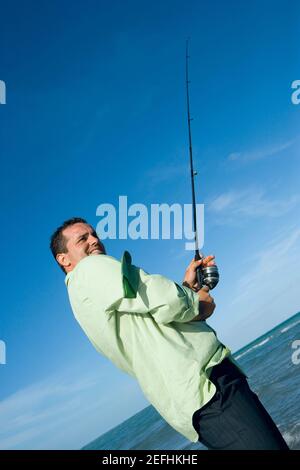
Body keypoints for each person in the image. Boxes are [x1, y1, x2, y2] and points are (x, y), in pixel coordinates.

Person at [50, 217, 289, 450]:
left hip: (192, 402)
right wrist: (198, 304)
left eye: (95, 234)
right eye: (83, 239)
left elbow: (150, 319)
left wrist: (187, 288)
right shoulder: (90, 268)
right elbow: (162, 298)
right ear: (64, 259)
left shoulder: (82, 299)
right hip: (208, 387)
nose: (94, 240)